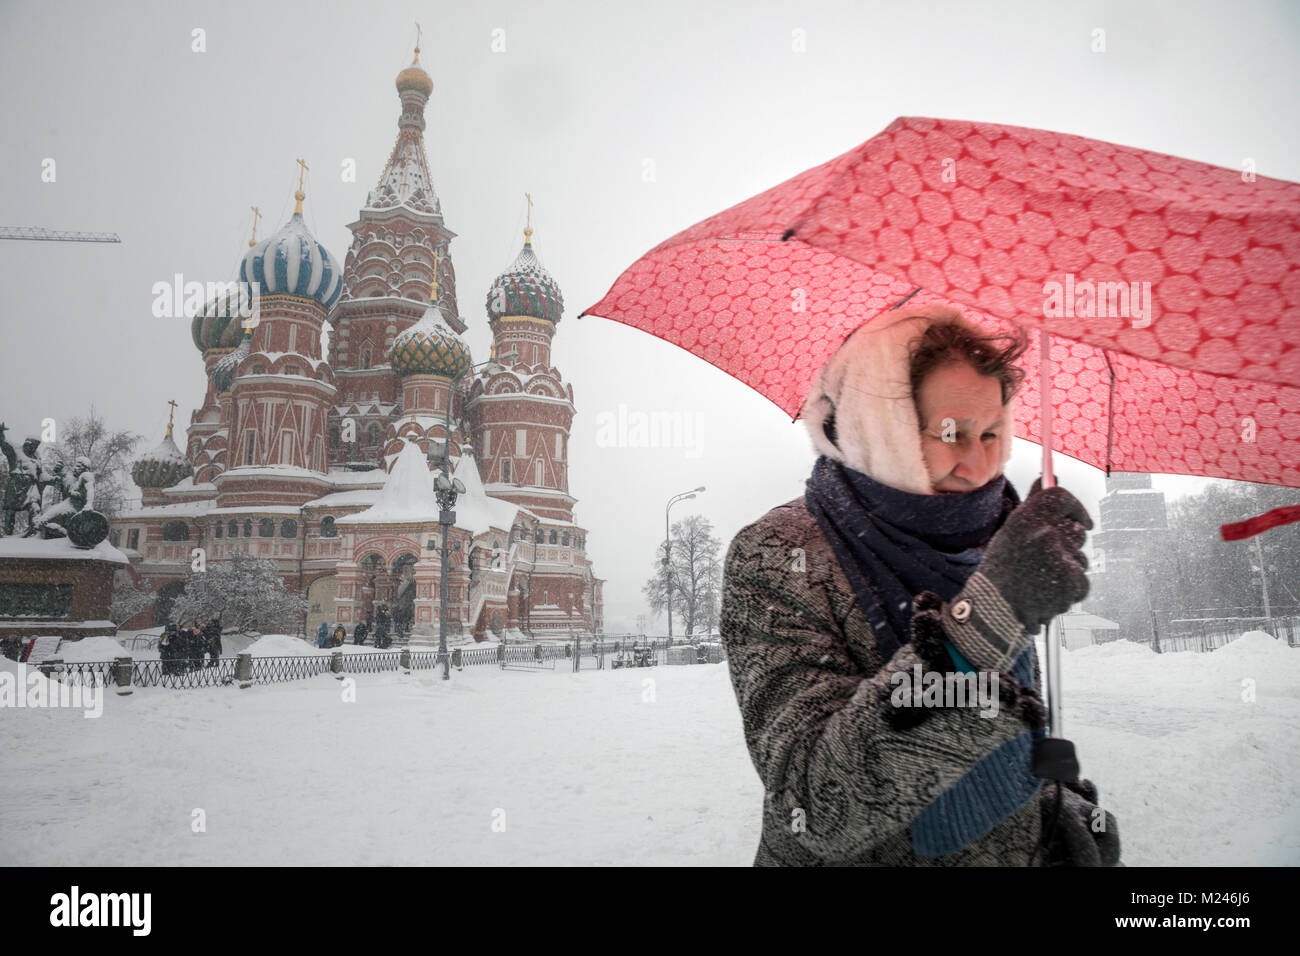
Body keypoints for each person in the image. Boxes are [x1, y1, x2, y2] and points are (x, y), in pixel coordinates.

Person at [719, 304, 1120, 867]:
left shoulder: (997, 537)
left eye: (991, 433)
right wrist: (991, 613)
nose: (978, 466)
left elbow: (994, 740)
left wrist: (1050, 810)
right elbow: (812, 801)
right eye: (951, 433)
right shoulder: (779, 553)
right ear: (879, 429)